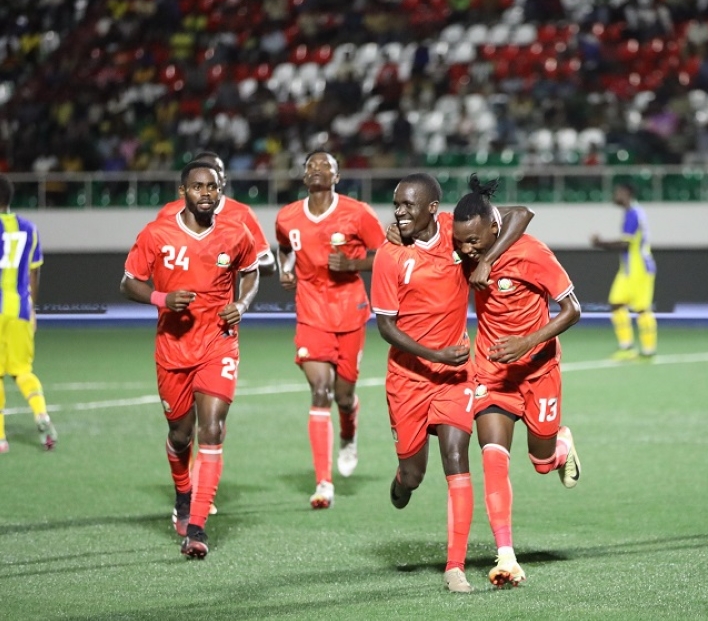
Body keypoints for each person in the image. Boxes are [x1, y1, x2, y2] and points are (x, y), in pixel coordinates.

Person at [370, 172, 532, 594]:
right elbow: (385, 326)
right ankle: (402, 480)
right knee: (413, 471)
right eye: (396, 204)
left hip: (456, 373)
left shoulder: (452, 231)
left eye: (408, 205)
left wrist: (489, 258)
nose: (399, 211)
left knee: (457, 455)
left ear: (431, 209)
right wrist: (433, 355)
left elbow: (518, 214)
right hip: (408, 377)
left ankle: (454, 567)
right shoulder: (389, 255)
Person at [121, 160, 260, 558]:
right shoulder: (157, 233)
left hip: (218, 343)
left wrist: (242, 303)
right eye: (197, 186)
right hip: (173, 349)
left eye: (212, 187)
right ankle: (183, 494)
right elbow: (128, 281)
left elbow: (251, 272)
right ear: (183, 190)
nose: (206, 193)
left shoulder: (236, 233)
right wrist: (162, 299)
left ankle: (197, 526)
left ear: (221, 191)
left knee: (212, 429)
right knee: (181, 436)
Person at [451, 176, 581, 588]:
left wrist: (526, 341)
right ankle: (506, 556)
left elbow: (573, 310)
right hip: (492, 373)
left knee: (541, 463)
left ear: (494, 229)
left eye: (474, 242)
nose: (467, 250)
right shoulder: (466, 245)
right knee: (491, 455)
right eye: (461, 243)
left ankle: (561, 446)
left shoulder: (532, 253)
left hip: (539, 370)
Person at [275, 151, 386, 509]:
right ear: (304, 176)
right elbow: (284, 249)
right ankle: (324, 483)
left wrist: (353, 262)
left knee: (342, 395)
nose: (318, 170)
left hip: (350, 311)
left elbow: (386, 256)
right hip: (311, 313)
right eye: (311, 166)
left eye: (326, 166)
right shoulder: (287, 216)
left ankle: (349, 431)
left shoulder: (358, 213)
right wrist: (286, 270)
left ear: (337, 176)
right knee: (319, 390)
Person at [0, 175, 56, 454]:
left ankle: (0, 438)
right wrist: (31, 308)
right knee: (23, 371)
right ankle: (41, 415)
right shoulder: (29, 229)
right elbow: (34, 273)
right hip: (21, 308)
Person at [156, 151, 276, 277]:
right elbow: (153, 262)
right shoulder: (170, 213)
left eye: (216, 170)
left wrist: (232, 260)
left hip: (222, 296)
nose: (210, 174)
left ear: (223, 180)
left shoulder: (242, 214)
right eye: (204, 169)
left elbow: (268, 263)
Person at [590, 181, 657, 359]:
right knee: (616, 303)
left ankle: (649, 350)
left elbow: (625, 244)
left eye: (618, 192)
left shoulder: (633, 214)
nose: (615, 196)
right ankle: (627, 347)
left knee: (642, 309)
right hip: (629, 269)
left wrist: (600, 243)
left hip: (639, 268)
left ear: (627, 194)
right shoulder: (632, 213)